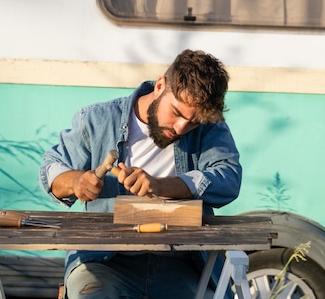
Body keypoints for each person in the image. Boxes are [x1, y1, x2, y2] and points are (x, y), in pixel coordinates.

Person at [39, 49, 242, 299]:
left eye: (193, 122)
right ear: (160, 86)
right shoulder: (97, 119)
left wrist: (162, 185)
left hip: (181, 263)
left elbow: (229, 178)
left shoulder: (208, 127)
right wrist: (76, 181)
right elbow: (51, 170)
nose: (181, 128)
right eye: (177, 113)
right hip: (105, 261)